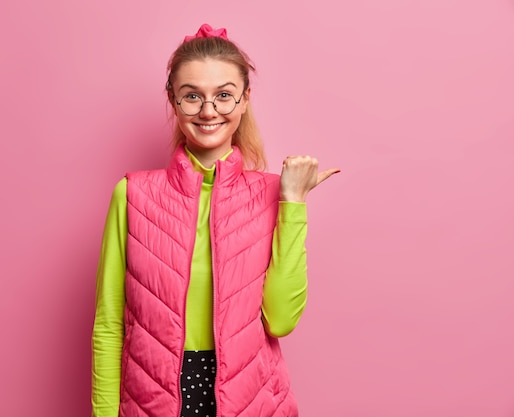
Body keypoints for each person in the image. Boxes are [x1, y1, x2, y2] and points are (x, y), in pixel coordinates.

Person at [91, 23, 339, 417]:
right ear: (173, 100)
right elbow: (108, 323)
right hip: (152, 399)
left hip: (252, 399)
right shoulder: (133, 193)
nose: (209, 111)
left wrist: (293, 202)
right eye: (192, 96)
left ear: (244, 100)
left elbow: (280, 319)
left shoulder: (273, 194)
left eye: (223, 95)